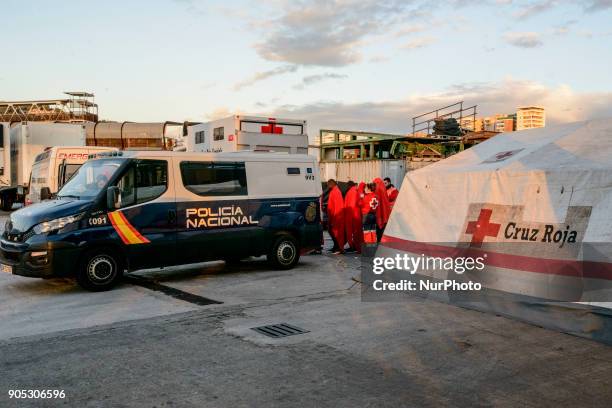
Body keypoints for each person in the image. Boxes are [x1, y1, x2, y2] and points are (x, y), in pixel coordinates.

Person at [326, 179, 346, 254]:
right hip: (333, 216)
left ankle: (338, 248)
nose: (327, 186)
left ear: (331, 184)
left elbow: (338, 206)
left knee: (336, 233)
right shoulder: (334, 191)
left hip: (336, 217)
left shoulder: (336, 192)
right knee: (331, 231)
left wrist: (335, 217)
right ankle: (336, 246)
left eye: (328, 184)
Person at [343, 181, 362, 254]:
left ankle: (354, 246)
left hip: (352, 215)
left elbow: (351, 205)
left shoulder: (351, 192)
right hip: (355, 214)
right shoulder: (355, 191)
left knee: (353, 232)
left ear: (349, 185)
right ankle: (355, 246)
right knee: (356, 232)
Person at [373, 178, 392, 242]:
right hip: (385, 214)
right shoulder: (383, 189)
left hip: (378, 214)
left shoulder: (376, 189)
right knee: (382, 231)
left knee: (378, 231)